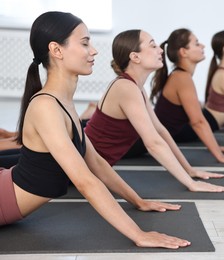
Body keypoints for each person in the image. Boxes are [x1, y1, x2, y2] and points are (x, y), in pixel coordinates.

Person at [0, 11, 191, 249]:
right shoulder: (46, 106)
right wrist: (138, 234)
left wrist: (137, 201)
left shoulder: (62, 102)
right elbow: (85, 181)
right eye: (85, 43)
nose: (94, 51)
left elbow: (97, 164)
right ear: (56, 50)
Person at [84, 29, 224, 193]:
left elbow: (160, 131)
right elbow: (153, 143)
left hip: (91, 167)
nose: (160, 50)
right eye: (153, 46)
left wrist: (189, 170)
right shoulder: (125, 88)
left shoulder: (136, 88)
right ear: (135, 57)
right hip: (77, 167)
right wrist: (191, 183)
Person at [150, 28, 224, 166]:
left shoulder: (180, 76)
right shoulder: (181, 77)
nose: (202, 46)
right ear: (183, 52)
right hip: (136, 144)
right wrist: (219, 156)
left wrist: (214, 146)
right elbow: (198, 122)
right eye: (197, 43)